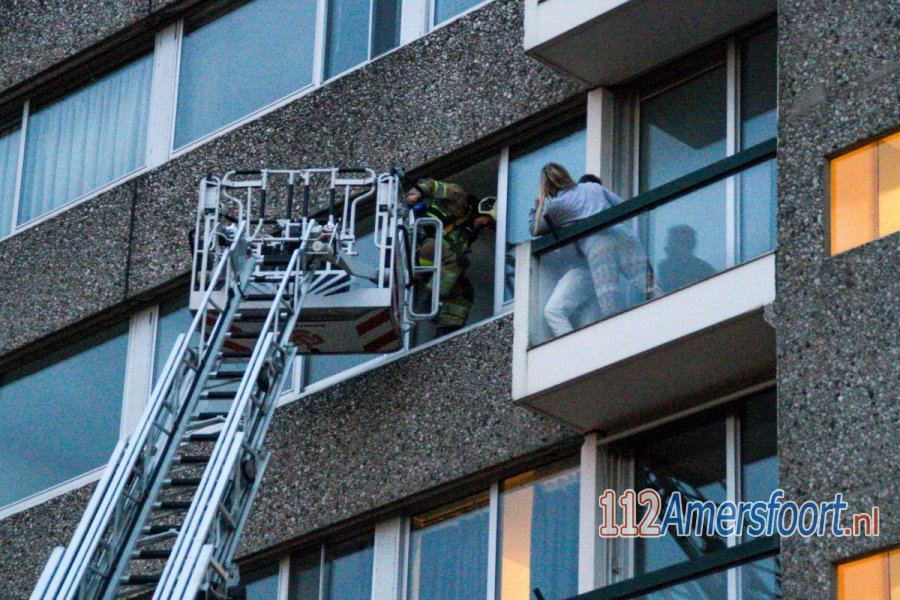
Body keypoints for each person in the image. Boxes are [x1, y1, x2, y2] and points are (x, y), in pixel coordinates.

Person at [530, 163, 655, 336]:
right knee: (649, 287)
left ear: (547, 187)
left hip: (599, 248)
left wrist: (538, 205)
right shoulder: (593, 187)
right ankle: (672, 317)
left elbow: (535, 229)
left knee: (609, 301)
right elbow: (624, 207)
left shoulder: (557, 206)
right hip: (624, 237)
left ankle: (619, 340)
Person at [406, 178, 494, 335]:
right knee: (458, 258)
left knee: (464, 291)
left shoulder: (467, 236)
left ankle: (446, 331)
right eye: (487, 222)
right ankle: (429, 298)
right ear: (484, 209)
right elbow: (432, 186)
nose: (485, 227)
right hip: (422, 244)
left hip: (431, 267)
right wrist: (416, 193)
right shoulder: (458, 198)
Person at [656, 224, 716, 293]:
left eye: (672, 241)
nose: (668, 246)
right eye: (669, 242)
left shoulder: (703, 269)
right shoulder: (664, 266)